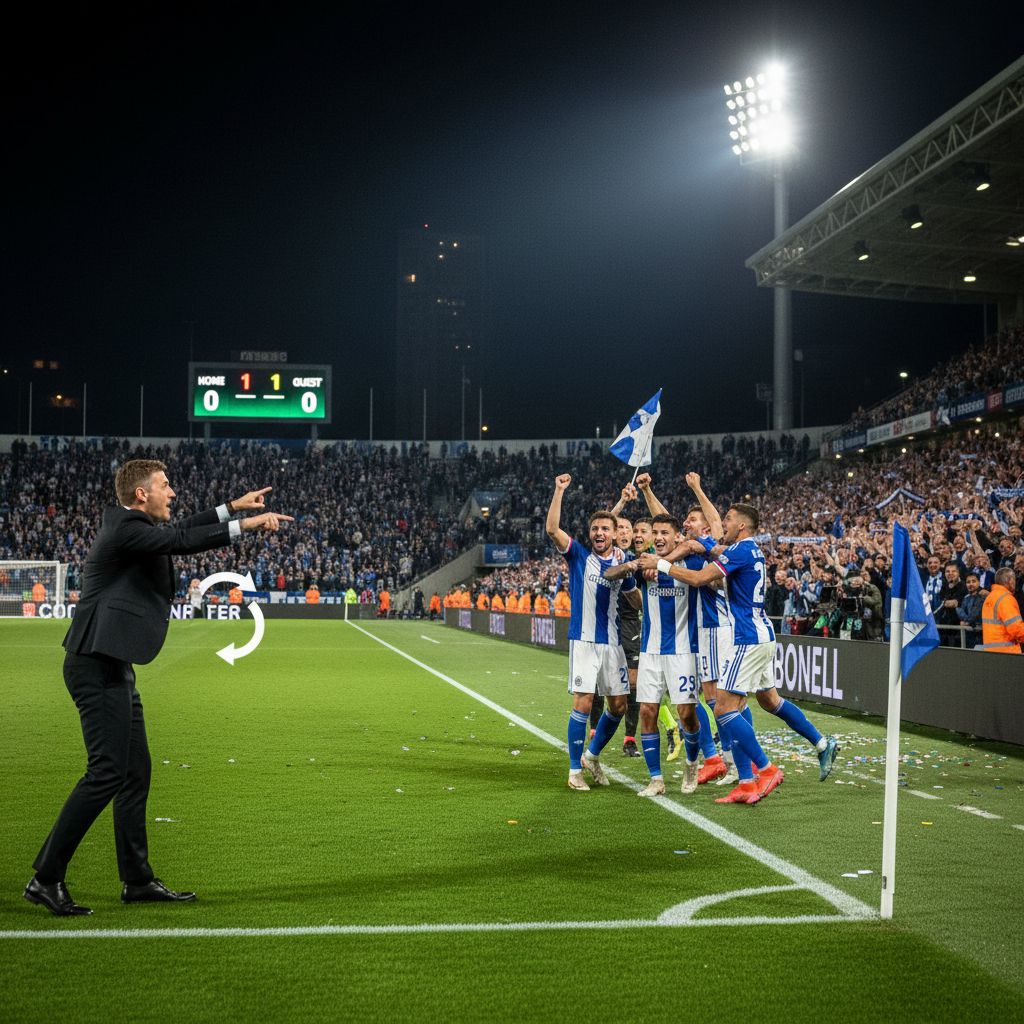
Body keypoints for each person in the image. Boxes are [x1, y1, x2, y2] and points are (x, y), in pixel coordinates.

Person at [26, 459, 291, 916]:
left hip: (113, 665)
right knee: (106, 773)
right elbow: (181, 539)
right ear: (141, 495)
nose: (173, 492)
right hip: (95, 666)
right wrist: (245, 524)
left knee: (134, 773)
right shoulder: (126, 528)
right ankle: (46, 877)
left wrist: (229, 507)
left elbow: (181, 528)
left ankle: (137, 879)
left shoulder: (135, 526)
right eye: (165, 486)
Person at [639, 503, 786, 805]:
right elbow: (679, 536)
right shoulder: (740, 550)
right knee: (734, 704)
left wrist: (662, 562)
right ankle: (744, 775)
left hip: (734, 634)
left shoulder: (729, 550)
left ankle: (762, 767)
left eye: (728, 520)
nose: (724, 525)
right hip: (737, 634)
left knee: (725, 707)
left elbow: (698, 569)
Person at [545, 474, 640, 791]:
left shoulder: (623, 560)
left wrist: (642, 579)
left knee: (619, 707)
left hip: (613, 644)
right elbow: (552, 530)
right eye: (595, 529)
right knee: (584, 703)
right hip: (584, 642)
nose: (600, 533)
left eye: (605, 529)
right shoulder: (579, 556)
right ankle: (574, 771)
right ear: (590, 534)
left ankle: (593, 755)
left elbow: (634, 598)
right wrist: (559, 491)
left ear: (615, 534)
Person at [605, 513, 703, 796]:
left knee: (686, 714)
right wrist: (635, 565)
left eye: (664, 533)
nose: (659, 537)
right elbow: (609, 574)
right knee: (648, 711)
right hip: (650, 650)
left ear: (676, 537)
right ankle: (656, 779)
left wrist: (664, 564)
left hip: (683, 651)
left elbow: (708, 567)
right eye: (655, 532)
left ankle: (692, 762)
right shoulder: (643, 563)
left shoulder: (690, 561)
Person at [980, 568, 1024, 653]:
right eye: (1014, 579)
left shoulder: (989, 598)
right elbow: (1016, 628)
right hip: (1008, 653)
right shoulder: (1006, 599)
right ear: (1010, 580)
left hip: (991, 652)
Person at [936, 562, 967, 647]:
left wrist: (947, 603)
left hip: (958, 631)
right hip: (944, 629)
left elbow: (953, 603)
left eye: (953, 571)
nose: (950, 574)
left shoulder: (964, 587)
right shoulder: (944, 586)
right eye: (947, 571)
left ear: (958, 573)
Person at [956, 572, 987, 650]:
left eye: (973, 581)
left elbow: (973, 616)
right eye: (968, 582)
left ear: (979, 582)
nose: (971, 584)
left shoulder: (982, 597)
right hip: (969, 636)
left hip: (980, 636)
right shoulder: (966, 597)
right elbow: (961, 611)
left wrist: (966, 622)